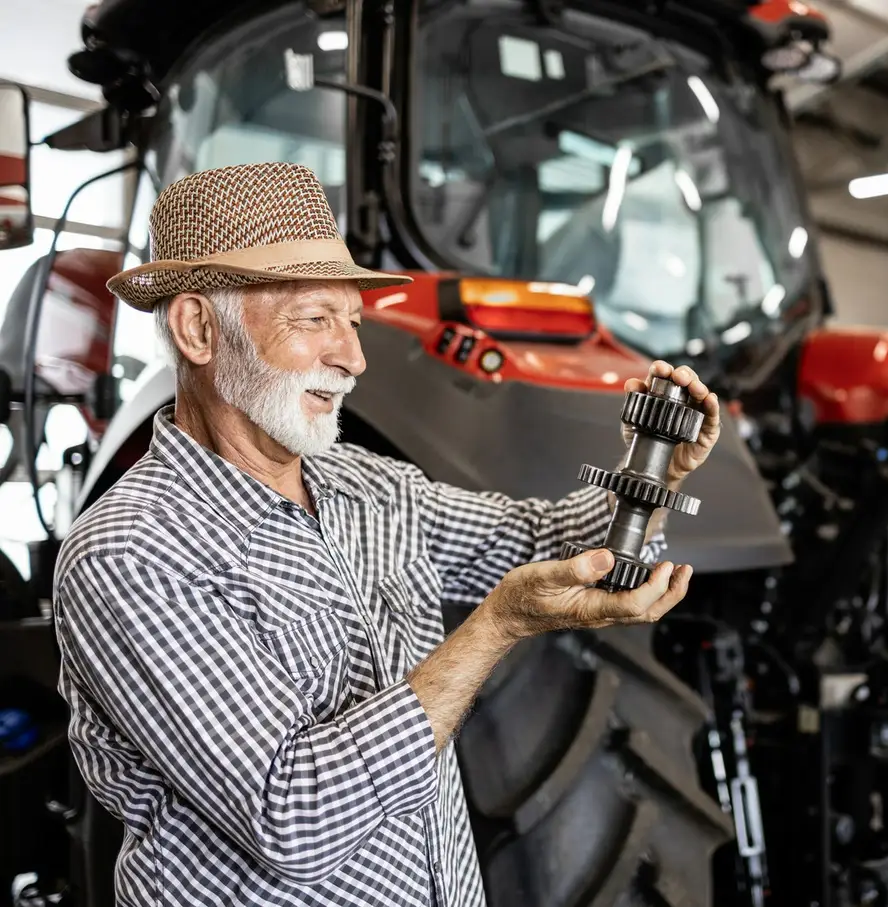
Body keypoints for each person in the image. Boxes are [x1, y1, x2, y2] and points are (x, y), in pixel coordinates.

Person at [50, 161, 721, 907]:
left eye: (354, 320)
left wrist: (653, 469)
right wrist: (494, 626)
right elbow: (293, 817)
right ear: (200, 328)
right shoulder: (132, 552)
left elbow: (540, 540)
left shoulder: (368, 485)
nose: (354, 356)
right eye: (314, 319)